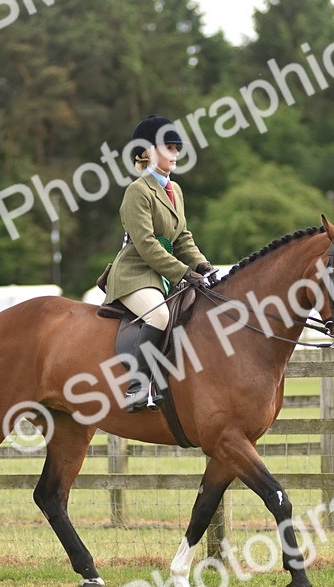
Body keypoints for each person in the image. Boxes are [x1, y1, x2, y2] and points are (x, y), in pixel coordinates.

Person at [103, 115, 215, 412]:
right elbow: (147, 245)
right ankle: (137, 387)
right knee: (159, 317)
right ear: (147, 152)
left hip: (165, 274)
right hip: (136, 274)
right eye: (169, 147)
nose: (176, 153)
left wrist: (203, 266)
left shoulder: (174, 190)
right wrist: (183, 272)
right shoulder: (137, 192)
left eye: (177, 147)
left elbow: (183, 238)